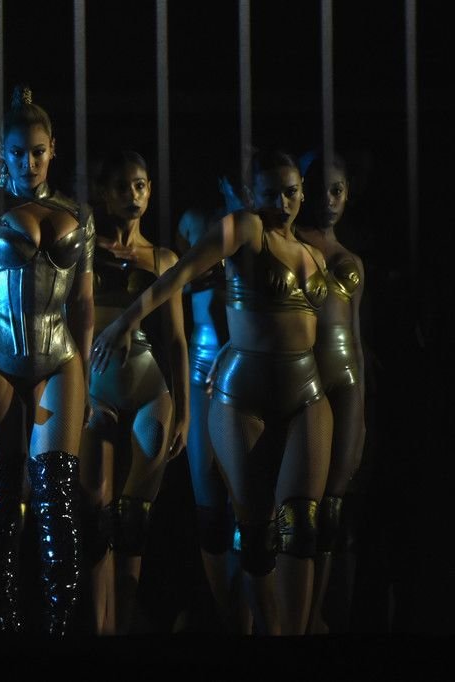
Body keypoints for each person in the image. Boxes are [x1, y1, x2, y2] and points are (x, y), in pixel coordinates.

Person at [92, 150, 333, 635]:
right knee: (255, 532)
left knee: (302, 526)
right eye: (270, 194)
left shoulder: (315, 254)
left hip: (307, 390)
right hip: (243, 394)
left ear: (303, 192)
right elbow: (179, 274)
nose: (282, 203)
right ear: (251, 196)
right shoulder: (246, 228)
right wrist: (127, 319)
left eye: (290, 192)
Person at [0, 85, 95, 635]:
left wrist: (87, 376)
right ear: (2, 153)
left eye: (37, 152)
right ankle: (3, 625)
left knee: (57, 498)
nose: (28, 163)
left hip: (60, 356)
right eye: (17, 152)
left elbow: (83, 303)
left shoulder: (77, 213)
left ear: (53, 150)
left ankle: (60, 628)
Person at [81, 150, 187, 634]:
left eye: (140, 185)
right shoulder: (85, 248)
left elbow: (177, 340)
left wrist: (184, 410)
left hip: (149, 386)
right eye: (122, 186)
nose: (133, 195)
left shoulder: (163, 258)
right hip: (95, 387)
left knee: (134, 520)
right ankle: (98, 625)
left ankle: (123, 624)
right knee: (96, 514)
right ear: (104, 194)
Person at [175, 169, 249, 631]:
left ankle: (246, 613)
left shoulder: (263, 226)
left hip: (247, 365)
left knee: (246, 494)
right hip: (202, 362)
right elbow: (176, 284)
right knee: (206, 489)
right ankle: (225, 611)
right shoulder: (195, 220)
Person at [295, 151, 365, 633]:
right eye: (320, 188)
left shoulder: (352, 259)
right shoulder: (291, 242)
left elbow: (355, 340)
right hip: (303, 374)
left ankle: (316, 611)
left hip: (345, 377)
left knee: (334, 505)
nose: (329, 199)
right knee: (303, 502)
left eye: (337, 190)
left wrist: (363, 413)